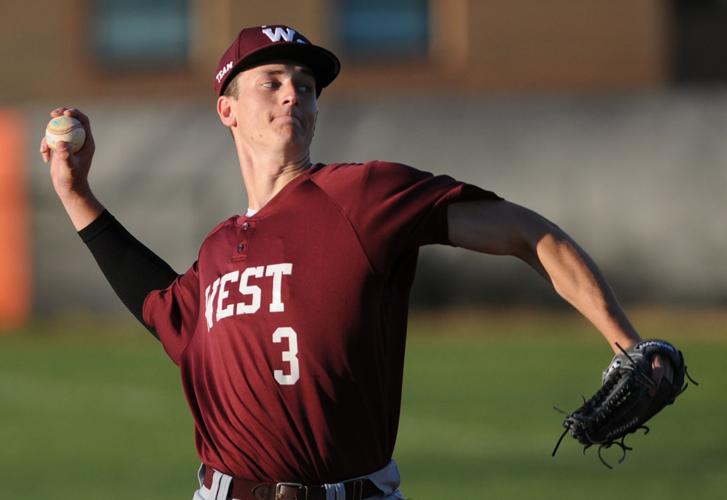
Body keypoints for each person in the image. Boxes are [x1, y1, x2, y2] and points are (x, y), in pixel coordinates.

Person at [40, 24, 672, 500]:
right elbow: (163, 308)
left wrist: (626, 344)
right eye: (273, 81)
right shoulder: (217, 249)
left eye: (306, 87)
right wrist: (75, 194)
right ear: (227, 110)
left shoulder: (363, 196)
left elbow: (523, 233)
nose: (294, 94)